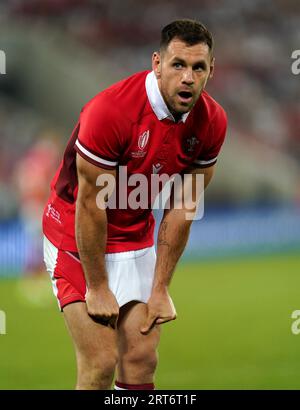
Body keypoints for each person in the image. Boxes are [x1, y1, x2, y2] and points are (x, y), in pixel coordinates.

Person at [42, 19, 227, 390]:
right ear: (156, 63)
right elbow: (90, 205)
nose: (188, 78)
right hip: (76, 236)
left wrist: (161, 289)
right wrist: (97, 286)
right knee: (100, 362)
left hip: (135, 236)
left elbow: (182, 208)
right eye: (178, 65)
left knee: (141, 360)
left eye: (198, 67)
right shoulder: (110, 112)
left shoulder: (212, 122)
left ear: (211, 71)